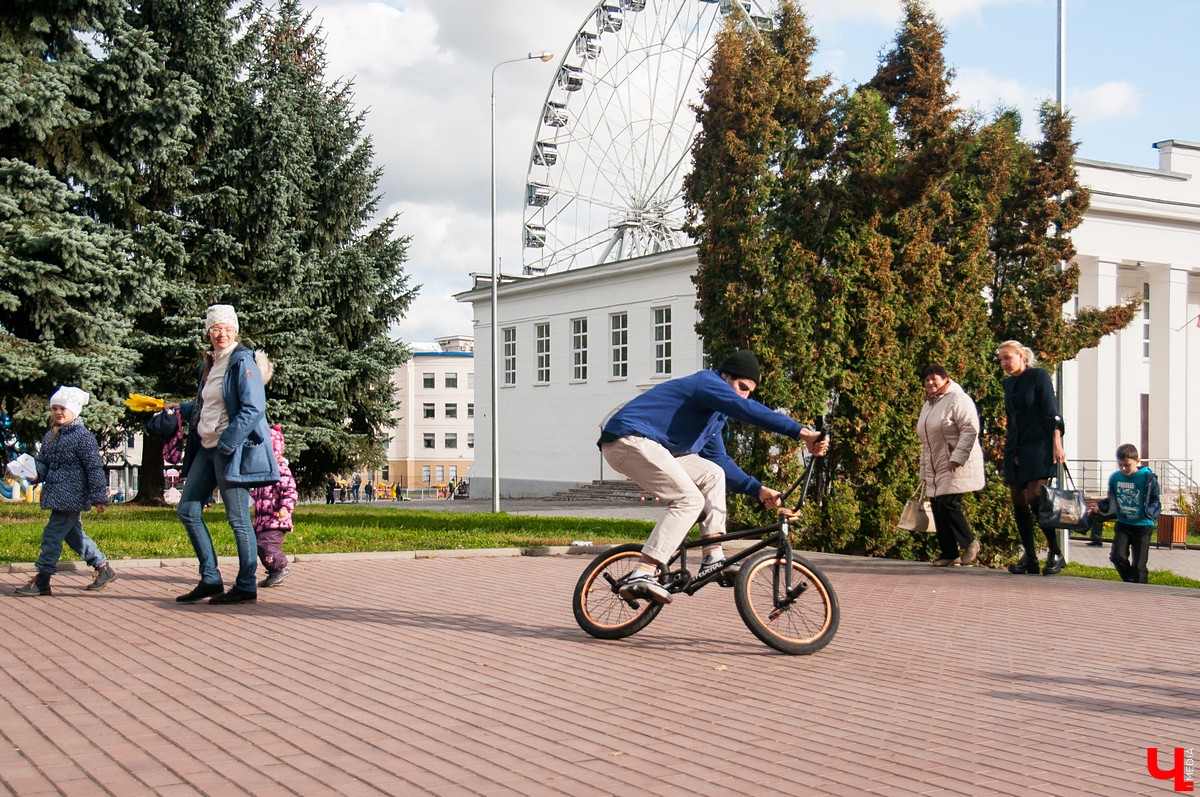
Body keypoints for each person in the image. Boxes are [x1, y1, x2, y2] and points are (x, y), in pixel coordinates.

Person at [597, 350, 828, 604]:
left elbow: (721, 462)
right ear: (725, 376)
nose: (743, 394)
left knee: (713, 473)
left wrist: (759, 490)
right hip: (627, 439)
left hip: (654, 447)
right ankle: (642, 572)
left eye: (749, 391)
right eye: (741, 387)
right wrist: (801, 432)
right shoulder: (707, 383)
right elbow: (747, 409)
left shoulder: (714, 419)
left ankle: (712, 556)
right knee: (689, 500)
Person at [171, 304, 280, 605]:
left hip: (228, 449)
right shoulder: (210, 364)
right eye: (216, 328)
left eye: (227, 328)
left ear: (235, 331)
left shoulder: (242, 361)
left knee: (237, 519)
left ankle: (246, 584)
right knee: (188, 510)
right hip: (207, 447)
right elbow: (214, 405)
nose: (221, 333)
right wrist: (179, 408)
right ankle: (210, 579)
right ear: (208, 332)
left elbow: (253, 407)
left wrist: (228, 443)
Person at [13, 387, 118, 596]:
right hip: (56, 493)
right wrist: (35, 474)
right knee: (74, 536)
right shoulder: (51, 435)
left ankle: (42, 579)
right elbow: (43, 463)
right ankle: (103, 568)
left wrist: (98, 497)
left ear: (74, 410)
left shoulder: (83, 437)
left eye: (63, 408)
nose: (58, 412)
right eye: (55, 408)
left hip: (73, 496)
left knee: (51, 535)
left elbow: (94, 468)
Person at [998, 340, 1067, 576]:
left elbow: (1052, 412)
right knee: (1018, 500)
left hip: (1039, 445)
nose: (1004, 363)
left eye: (1008, 357)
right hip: (1016, 446)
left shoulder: (1039, 376)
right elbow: (1012, 417)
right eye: (1001, 359)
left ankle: (1055, 551)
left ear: (1022, 356)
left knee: (1035, 496)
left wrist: (1057, 444)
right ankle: (1029, 556)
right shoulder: (1008, 384)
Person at [916, 365, 986, 567]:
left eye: (934, 378)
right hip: (936, 463)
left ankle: (971, 542)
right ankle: (949, 553)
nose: (930, 383)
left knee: (948, 503)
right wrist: (924, 470)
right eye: (927, 379)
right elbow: (926, 442)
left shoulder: (958, 398)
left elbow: (970, 429)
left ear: (945, 379)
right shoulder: (928, 405)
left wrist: (958, 456)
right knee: (938, 505)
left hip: (955, 461)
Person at [1101, 444, 1161, 583]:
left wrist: (1150, 514)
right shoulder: (1115, 477)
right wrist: (1103, 508)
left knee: (1139, 565)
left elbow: (1154, 498)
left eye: (1127, 465)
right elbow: (1112, 498)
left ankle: (1141, 591)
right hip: (1124, 524)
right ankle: (1130, 582)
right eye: (1120, 464)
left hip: (1143, 525)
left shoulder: (1147, 477)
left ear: (1137, 461)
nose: (1123, 468)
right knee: (1117, 557)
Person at [250, 425, 298, 587]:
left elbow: (290, 492)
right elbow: (258, 493)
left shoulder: (281, 470)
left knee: (268, 546)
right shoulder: (263, 471)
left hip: (276, 519)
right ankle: (273, 571)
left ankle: (280, 568)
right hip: (263, 520)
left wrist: (285, 508)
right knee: (259, 545)